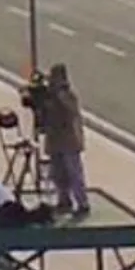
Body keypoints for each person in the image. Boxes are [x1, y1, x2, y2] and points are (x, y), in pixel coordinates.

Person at [40, 63, 89, 215]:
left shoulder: (68, 95)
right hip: (55, 138)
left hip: (69, 140)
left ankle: (82, 202)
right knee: (58, 173)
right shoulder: (49, 96)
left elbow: (71, 111)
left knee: (74, 172)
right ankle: (63, 200)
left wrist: (58, 95)